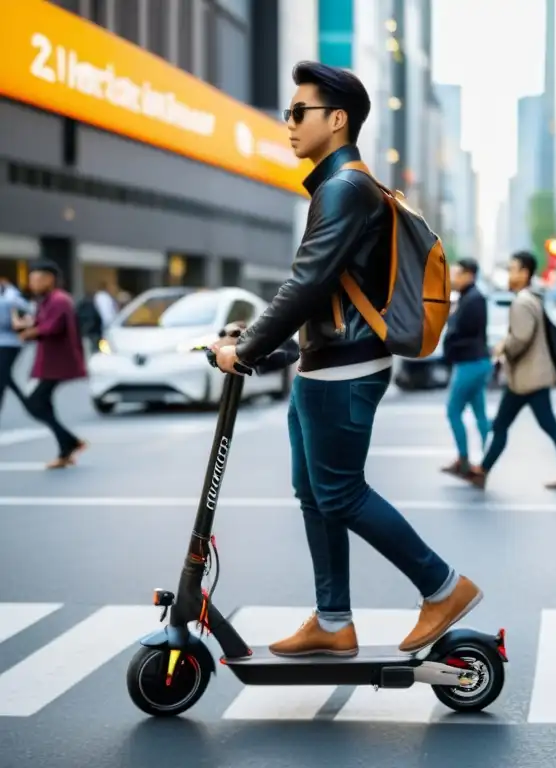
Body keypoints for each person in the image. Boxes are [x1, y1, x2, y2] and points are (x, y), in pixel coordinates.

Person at [212, 61, 481, 656]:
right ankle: (334, 621)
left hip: (346, 370)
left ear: (336, 121)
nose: (288, 123)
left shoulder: (344, 189)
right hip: (326, 366)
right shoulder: (341, 189)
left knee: (339, 492)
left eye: (298, 112)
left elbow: (305, 285)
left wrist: (246, 349)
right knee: (314, 491)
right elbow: (328, 292)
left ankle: (443, 586)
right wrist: (277, 349)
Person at [463, 252, 556, 490]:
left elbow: (521, 337)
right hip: (527, 378)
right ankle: (483, 471)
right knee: (507, 425)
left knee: (531, 425)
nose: (510, 274)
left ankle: (483, 471)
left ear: (525, 273)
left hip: (528, 379)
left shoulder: (522, 302)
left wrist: (502, 347)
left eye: (513, 269)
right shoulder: (531, 298)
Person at [17, 261, 87, 468]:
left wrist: (29, 332)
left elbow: (52, 327)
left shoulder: (59, 300)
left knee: (35, 403)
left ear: (50, 279)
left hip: (58, 362)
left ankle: (70, 443)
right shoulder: (47, 300)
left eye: (37, 279)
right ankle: (67, 446)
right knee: (41, 403)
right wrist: (27, 327)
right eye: (32, 280)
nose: (33, 284)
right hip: (49, 361)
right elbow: (42, 324)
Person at [440, 258, 492, 477]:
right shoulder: (468, 298)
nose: (454, 278)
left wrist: (450, 341)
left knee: (453, 411)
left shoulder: (474, 299)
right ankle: (485, 458)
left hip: (471, 363)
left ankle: (464, 458)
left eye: (458, 274)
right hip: (474, 362)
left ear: (469, 275)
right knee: (479, 412)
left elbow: (465, 333)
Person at [0, 276, 31, 426]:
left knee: (3, 375)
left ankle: (25, 400)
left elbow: (6, 322)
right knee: (4, 375)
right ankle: (25, 400)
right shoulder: (14, 299)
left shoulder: (7, 301)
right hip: (13, 342)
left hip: (8, 343)